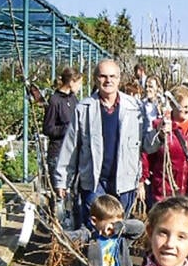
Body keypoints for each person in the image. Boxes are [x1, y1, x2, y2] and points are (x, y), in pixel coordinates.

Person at [54, 59, 161, 225]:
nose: (108, 80)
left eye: (112, 76)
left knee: (118, 230)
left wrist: (159, 134)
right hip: (94, 181)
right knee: (95, 229)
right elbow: (71, 147)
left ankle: (117, 252)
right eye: (103, 76)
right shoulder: (84, 109)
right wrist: (62, 180)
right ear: (96, 79)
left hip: (125, 181)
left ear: (119, 79)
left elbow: (146, 145)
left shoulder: (134, 108)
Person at [141, 85, 188, 206]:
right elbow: (147, 155)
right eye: (183, 106)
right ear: (173, 105)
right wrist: (142, 180)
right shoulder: (160, 126)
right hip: (166, 191)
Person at [42, 66, 82, 186]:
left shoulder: (73, 98)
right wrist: (68, 129)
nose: (80, 87)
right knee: (60, 193)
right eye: (79, 83)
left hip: (72, 152)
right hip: (58, 153)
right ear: (71, 82)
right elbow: (48, 128)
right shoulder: (55, 101)